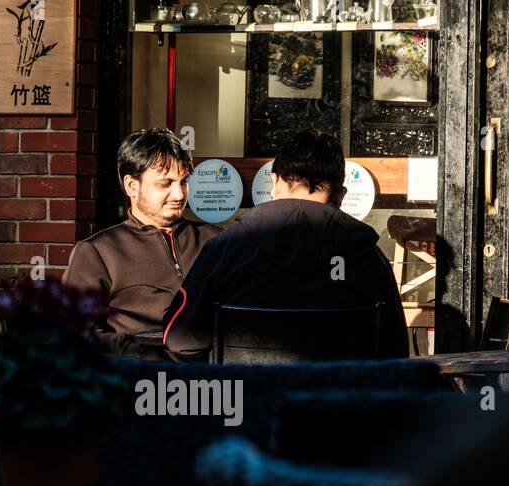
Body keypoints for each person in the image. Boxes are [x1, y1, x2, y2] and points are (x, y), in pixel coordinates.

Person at [162, 128, 409, 361]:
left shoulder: (226, 249)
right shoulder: (368, 258)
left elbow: (179, 338)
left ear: (275, 182)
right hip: (339, 402)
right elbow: (395, 352)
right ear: (340, 196)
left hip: (249, 400)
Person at [63, 128, 221, 358]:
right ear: (131, 186)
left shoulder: (216, 240)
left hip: (222, 379)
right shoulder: (98, 252)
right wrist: (139, 355)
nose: (179, 194)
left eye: (183, 181)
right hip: (142, 383)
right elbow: (75, 333)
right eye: (165, 184)